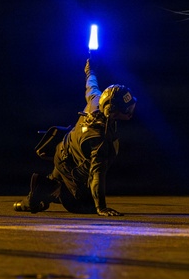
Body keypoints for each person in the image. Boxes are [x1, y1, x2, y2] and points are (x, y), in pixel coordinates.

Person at [14, 58, 136, 216]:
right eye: (126, 109)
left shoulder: (96, 101)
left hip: (66, 151)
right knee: (85, 205)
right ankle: (43, 191)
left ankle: (32, 199)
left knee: (56, 180)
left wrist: (90, 70)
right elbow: (97, 175)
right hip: (70, 164)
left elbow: (91, 85)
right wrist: (101, 207)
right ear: (112, 112)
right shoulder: (98, 139)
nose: (131, 111)